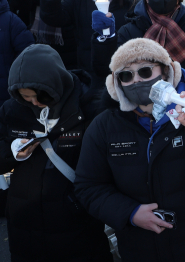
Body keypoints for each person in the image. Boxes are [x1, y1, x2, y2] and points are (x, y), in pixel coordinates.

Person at [74, 38, 185, 262]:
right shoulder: (104, 126)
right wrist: (130, 213)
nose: (136, 80)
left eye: (145, 71)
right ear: (117, 85)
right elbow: (88, 186)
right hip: (140, 248)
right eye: (126, 76)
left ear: (165, 72)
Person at [0, 45, 111, 262]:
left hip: (76, 224)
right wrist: (11, 152)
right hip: (25, 228)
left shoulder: (88, 107)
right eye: (25, 97)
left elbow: (103, 165)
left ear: (55, 84)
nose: (33, 103)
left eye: (39, 96)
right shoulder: (11, 111)